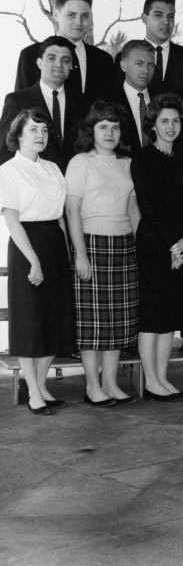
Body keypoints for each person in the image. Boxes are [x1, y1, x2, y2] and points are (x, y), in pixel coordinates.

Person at [65, 100, 141, 407]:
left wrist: (140, 245)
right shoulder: (80, 163)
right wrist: (80, 255)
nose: (110, 132)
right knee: (93, 324)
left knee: (118, 323)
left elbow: (133, 209)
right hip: (92, 246)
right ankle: (92, 386)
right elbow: (72, 210)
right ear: (91, 130)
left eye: (115, 126)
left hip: (124, 247)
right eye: (103, 127)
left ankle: (111, 384)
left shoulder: (127, 163)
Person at [0, 109, 76, 414]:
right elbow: (12, 220)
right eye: (33, 130)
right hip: (26, 246)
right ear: (18, 134)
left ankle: (42, 384)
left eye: (44, 130)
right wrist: (33, 261)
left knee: (54, 321)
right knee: (31, 323)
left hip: (54, 244)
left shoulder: (53, 169)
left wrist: (66, 253)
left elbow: (59, 216)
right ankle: (32, 390)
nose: (40, 136)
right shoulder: (8, 170)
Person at [130, 93, 183, 401]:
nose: (171, 127)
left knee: (170, 313)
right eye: (164, 121)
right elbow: (148, 206)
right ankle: (151, 381)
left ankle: (163, 378)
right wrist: (171, 245)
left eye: (175, 121)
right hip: (155, 244)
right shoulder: (142, 159)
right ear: (152, 125)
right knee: (153, 314)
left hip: (182, 243)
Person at [15, 0, 117, 99]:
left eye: (85, 16)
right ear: (55, 15)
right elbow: (22, 109)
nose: (79, 22)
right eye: (71, 15)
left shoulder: (103, 60)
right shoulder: (31, 55)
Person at [0, 36, 85, 171]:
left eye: (65, 60)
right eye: (51, 58)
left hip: (76, 184)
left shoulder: (83, 102)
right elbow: (5, 149)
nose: (58, 64)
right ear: (39, 63)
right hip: (32, 182)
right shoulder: (17, 101)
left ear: (71, 66)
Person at [138, 0, 183, 98]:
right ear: (144, 18)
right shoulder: (129, 56)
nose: (166, 21)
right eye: (158, 15)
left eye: (171, 16)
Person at [110, 40, 157, 152]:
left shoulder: (161, 99)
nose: (146, 70)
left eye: (150, 65)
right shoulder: (109, 101)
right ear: (124, 66)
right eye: (139, 64)